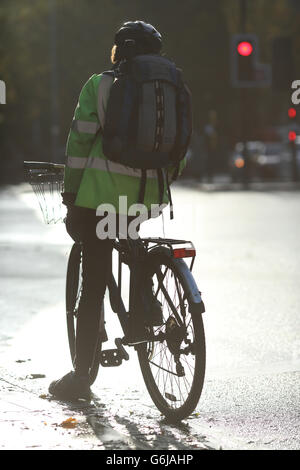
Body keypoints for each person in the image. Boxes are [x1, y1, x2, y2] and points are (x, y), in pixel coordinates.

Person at [48, 21, 186, 401]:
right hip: (147, 198)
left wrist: (71, 195)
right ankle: (146, 309)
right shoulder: (170, 86)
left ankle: (81, 378)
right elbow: (180, 145)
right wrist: (162, 178)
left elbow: (79, 144)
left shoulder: (99, 85)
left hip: (100, 199)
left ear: (119, 52)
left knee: (92, 282)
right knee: (131, 244)